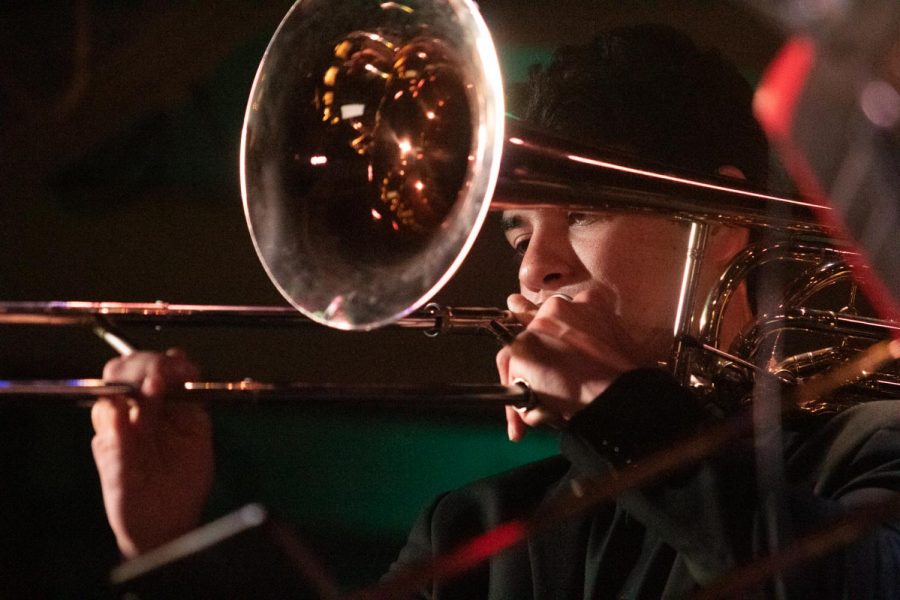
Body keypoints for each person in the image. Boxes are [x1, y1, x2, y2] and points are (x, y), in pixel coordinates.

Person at [90, 24, 900, 597]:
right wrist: (171, 547)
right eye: (518, 232)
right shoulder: (475, 531)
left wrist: (619, 412)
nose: (538, 265)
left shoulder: (873, 444)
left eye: (580, 214)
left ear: (723, 217)